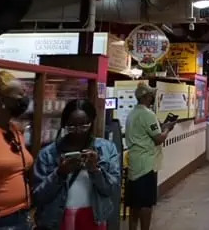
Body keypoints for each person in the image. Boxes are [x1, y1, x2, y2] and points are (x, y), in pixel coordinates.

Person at [33, 99, 120, 230]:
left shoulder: (107, 149)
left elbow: (111, 189)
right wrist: (60, 173)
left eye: (84, 125)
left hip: (95, 217)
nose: (78, 131)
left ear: (91, 122)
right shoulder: (48, 154)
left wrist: (95, 170)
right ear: (64, 125)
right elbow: (38, 196)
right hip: (56, 219)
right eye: (72, 126)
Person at [125, 83, 175, 230]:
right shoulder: (148, 114)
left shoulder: (132, 114)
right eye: (151, 95)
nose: (153, 97)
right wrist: (167, 129)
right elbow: (158, 138)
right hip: (146, 164)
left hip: (134, 163)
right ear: (146, 97)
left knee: (135, 204)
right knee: (146, 204)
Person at [0, 71, 33, 230]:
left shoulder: (14, 130)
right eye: (19, 95)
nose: (24, 100)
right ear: (2, 100)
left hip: (21, 215)